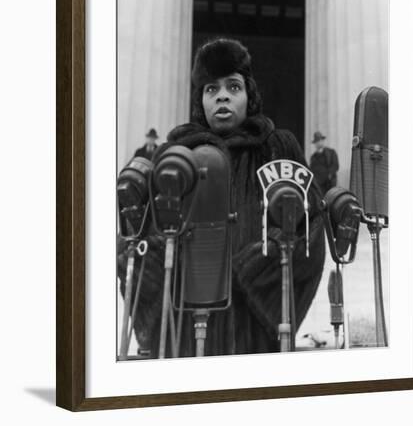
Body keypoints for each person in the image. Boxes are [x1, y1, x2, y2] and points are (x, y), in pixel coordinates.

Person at [118, 38, 325, 357]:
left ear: (249, 94)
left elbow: (308, 228)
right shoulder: (175, 154)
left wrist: (250, 267)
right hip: (183, 324)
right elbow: (141, 237)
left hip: (253, 326)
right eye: (211, 89)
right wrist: (171, 262)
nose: (223, 96)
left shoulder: (277, 149)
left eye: (233, 86)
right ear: (199, 99)